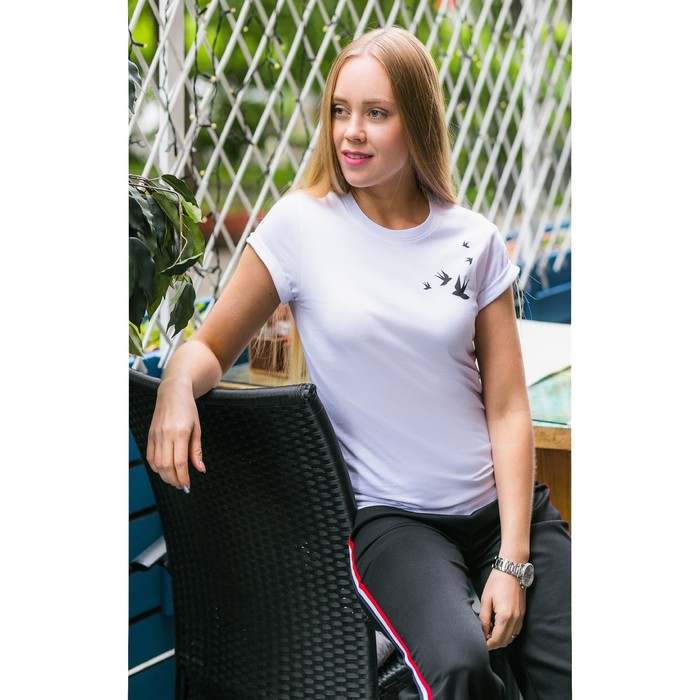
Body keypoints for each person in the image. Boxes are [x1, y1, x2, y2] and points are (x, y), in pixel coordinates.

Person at [146, 26, 572, 700]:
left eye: (376, 113)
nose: (351, 132)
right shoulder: (299, 228)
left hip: (503, 511)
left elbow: (507, 405)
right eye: (341, 110)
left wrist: (513, 559)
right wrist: (174, 384)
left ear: (417, 122)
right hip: (395, 525)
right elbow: (207, 347)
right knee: (459, 666)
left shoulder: (474, 240)